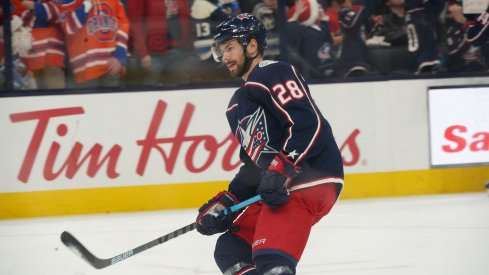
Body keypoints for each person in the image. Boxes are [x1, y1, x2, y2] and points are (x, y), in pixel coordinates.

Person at [195, 13, 344, 275]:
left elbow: (309, 125)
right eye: (221, 50)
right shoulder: (235, 107)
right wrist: (227, 201)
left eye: (229, 47)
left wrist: (282, 168)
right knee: (231, 250)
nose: (225, 57)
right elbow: (254, 166)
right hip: (278, 188)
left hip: (308, 179)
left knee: (271, 262)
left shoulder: (273, 71)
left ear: (251, 46)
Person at [59, 0, 129, 88]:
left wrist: (119, 56)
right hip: (85, 70)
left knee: (110, 101)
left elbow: (123, 25)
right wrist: (87, 4)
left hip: (110, 66)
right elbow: (68, 27)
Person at [126, 0, 193, 86]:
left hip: (179, 48)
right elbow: (135, 21)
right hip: (153, 52)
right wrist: (142, 51)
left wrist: (188, 44)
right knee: (150, 88)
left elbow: (187, 16)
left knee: (181, 90)